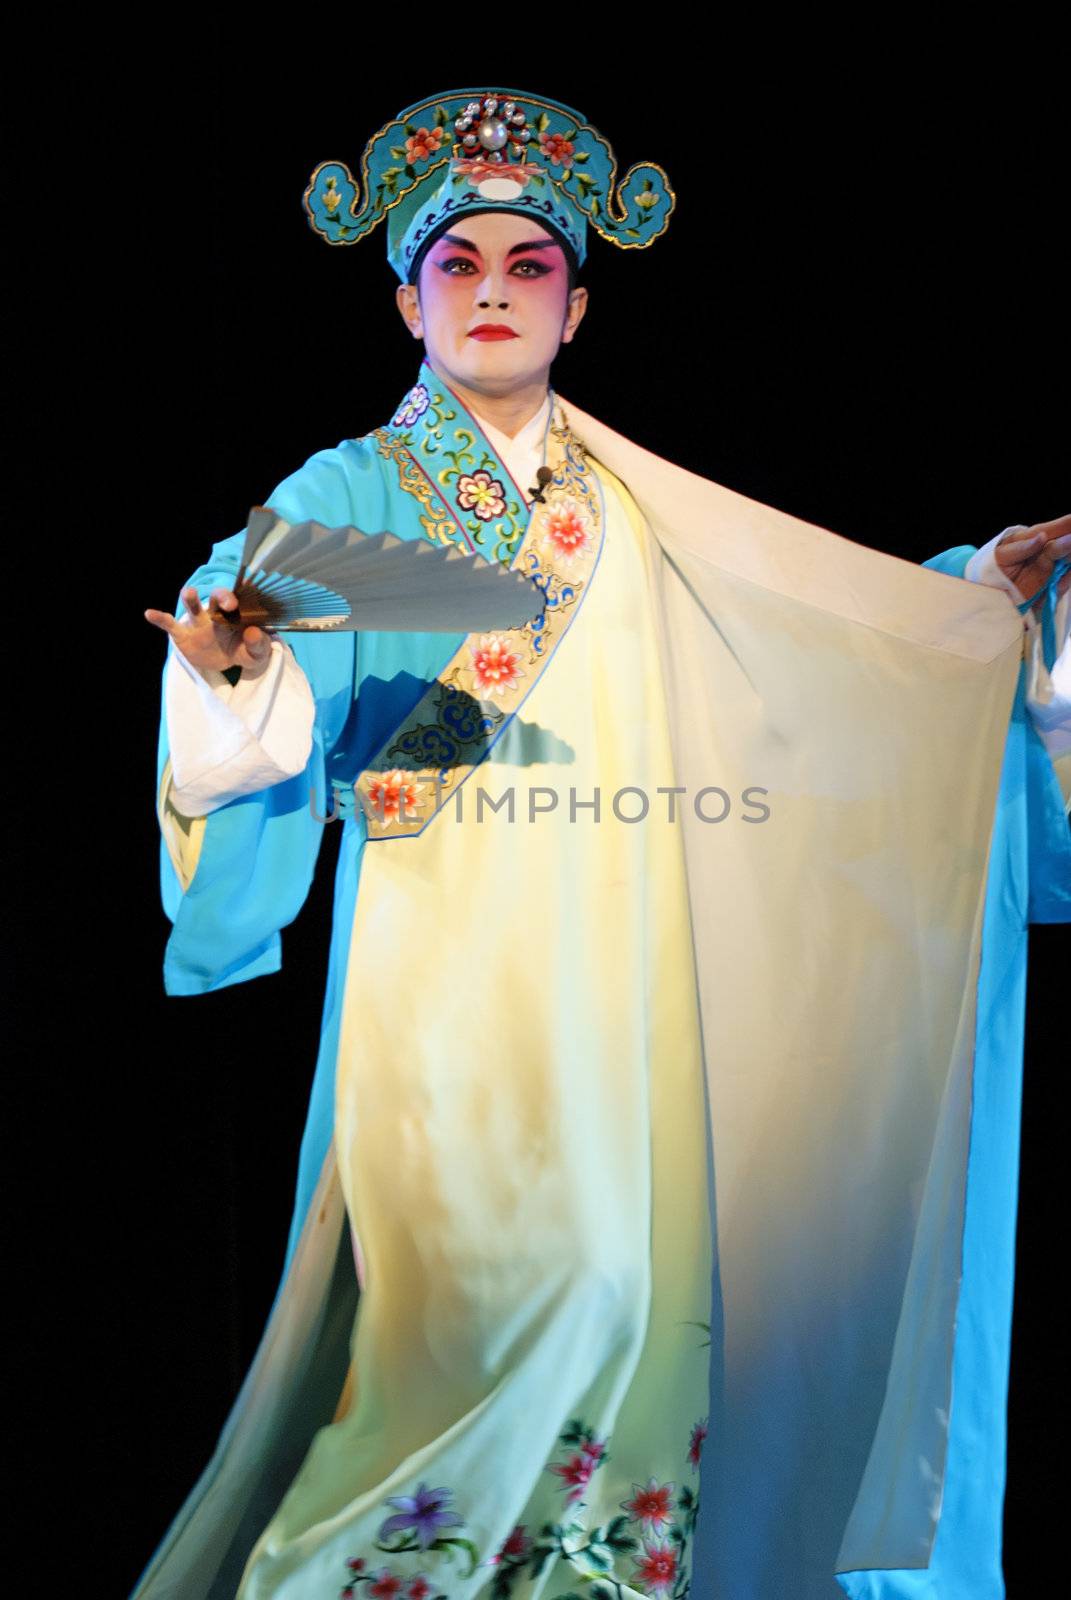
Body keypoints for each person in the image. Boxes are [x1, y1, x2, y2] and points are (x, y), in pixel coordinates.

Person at [135, 88, 1070, 1600]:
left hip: (631, 970)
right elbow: (250, 623)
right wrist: (240, 671)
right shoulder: (351, 491)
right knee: (497, 1308)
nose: (494, 291)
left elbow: (804, 649)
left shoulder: (637, 505)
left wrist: (970, 610)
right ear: (404, 299)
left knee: (644, 1299)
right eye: (459, 265)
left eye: (530, 267)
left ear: (577, 305)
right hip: (445, 954)